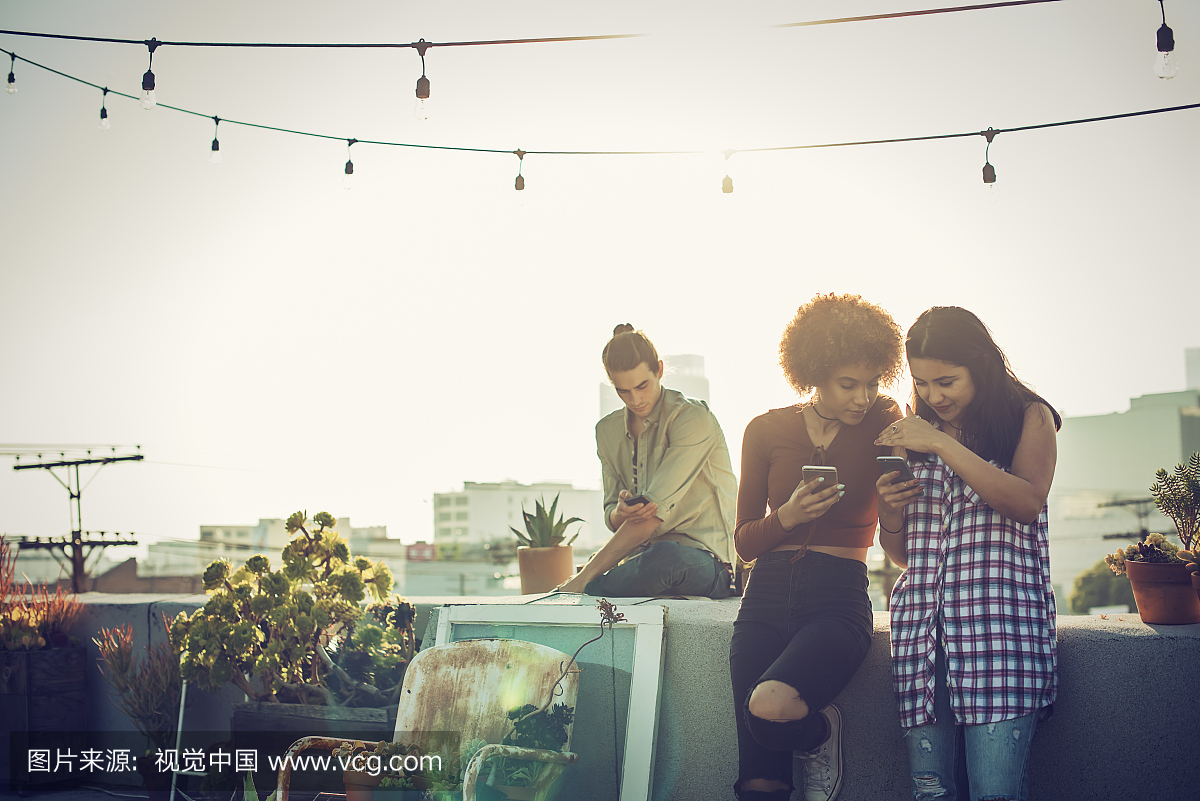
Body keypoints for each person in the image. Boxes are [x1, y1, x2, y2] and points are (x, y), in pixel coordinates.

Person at [874, 306, 1061, 801]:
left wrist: (939, 442)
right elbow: (901, 555)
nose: (934, 396)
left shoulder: (1029, 416)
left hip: (1000, 637)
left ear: (981, 365)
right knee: (930, 793)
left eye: (947, 382)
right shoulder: (913, 435)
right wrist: (889, 510)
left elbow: (1025, 501)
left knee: (995, 793)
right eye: (923, 383)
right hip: (923, 639)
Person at [730, 293, 905, 801]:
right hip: (763, 599)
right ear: (814, 375)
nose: (863, 397)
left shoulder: (883, 421)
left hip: (837, 599)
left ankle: (821, 732)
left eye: (873, 382)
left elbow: (900, 527)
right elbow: (743, 542)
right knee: (760, 784)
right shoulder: (765, 430)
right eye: (848, 384)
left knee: (770, 706)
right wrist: (788, 515)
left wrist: (894, 504)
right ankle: (806, 744)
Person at [556, 324, 737, 598]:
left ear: (660, 370)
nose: (636, 400)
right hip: (641, 557)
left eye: (642, 386)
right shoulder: (606, 431)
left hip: (706, 562)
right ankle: (591, 588)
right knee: (649, 559)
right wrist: (621, 513)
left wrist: (583, 579)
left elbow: (652, 515)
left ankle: (586, 590)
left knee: (666, 559)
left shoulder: (693, 419)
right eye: (623, 391)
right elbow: (611, 514)